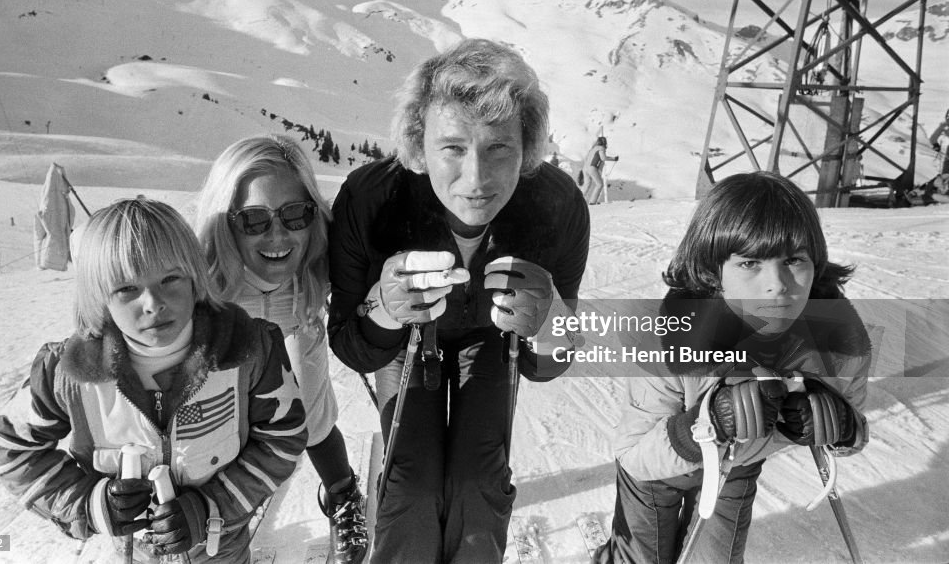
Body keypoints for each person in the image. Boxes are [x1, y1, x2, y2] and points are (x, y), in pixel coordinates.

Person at [328, 38, 590, 563]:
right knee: (411, 484)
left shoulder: (556, 206)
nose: (476, 180)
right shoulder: (372, 199)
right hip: (404, 340)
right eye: (453, 148)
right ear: (418, 145)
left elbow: (550, 362)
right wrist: (384, 307)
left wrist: (548, 323)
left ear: (528, 149)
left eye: (499, 149)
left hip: (490, 340)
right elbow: (355, 347)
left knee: (479, 484)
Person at [0, 197, 307, 563]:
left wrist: (210, 509)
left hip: (222, 550)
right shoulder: (70, 372)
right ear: (98, 296)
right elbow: (9, 447)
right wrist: (90, 504)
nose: (153, 302)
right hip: (136, 554)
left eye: (170, 279)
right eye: (126, 289)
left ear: (195, 278)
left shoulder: (247, 348)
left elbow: (283, 438)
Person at [601, 172, 871, 564]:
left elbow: (853, 423)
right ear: (714, 272)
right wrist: (707, 424)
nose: (776, 285)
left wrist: (841, 426)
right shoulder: (667, 338)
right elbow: (635, 454)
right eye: (749, 263)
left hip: (736, 465)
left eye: (794, 260)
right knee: (641, 558)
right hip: (656, 469)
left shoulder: (837, 341)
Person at [193, 135, 368, 564]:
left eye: (295, 214)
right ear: (225, 219)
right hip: (234, 340)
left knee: (310, 414)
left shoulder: (322, 256)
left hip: (298, 326)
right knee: (231, 424)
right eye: (253, 219)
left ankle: (342, 492)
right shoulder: (206, 276)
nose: (278, 235)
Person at [582, 136, 619, 205]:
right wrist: (613, 159)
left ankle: (579, 199)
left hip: (585, 168)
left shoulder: (593, 149)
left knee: (586, 185)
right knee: (599, 184)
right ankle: (592, 201)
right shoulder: (601, 148)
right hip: (592, 167)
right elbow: (603, 158)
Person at [929, 108, 949, 174]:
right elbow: (933, 138)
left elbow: (933, 138)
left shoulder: (945, 124)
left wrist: (935, 144)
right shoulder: (945, 125)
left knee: (945, 174)